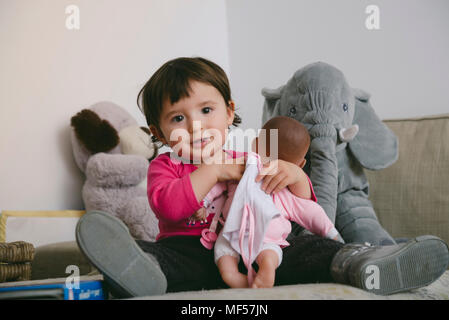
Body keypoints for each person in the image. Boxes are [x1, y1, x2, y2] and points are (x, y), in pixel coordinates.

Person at [75, 57, 449, 297]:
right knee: (161, 256)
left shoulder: (251, 156)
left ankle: (359, 261)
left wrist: (293, 177)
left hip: (257, 248)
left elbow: (298, 209)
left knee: (305, 249)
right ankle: (140, 269)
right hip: (190, 251)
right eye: (178, 118)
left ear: (229, 112)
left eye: (207, 110)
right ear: (157, 133)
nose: (196, 126)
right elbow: (169, 207)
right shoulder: (166, 166)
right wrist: (214, 170)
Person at [199, 116, 343, 289]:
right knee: (270, 250)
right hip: (267, 234)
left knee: (224, 251)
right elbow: (312, 212)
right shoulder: (285, 194)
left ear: (256, 143)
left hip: (233, 229)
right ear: (301, 163)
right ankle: (268, 265)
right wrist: (332, 233)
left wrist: (203, 202)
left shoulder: (240, 166)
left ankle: (231, 275)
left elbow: (217, 183)